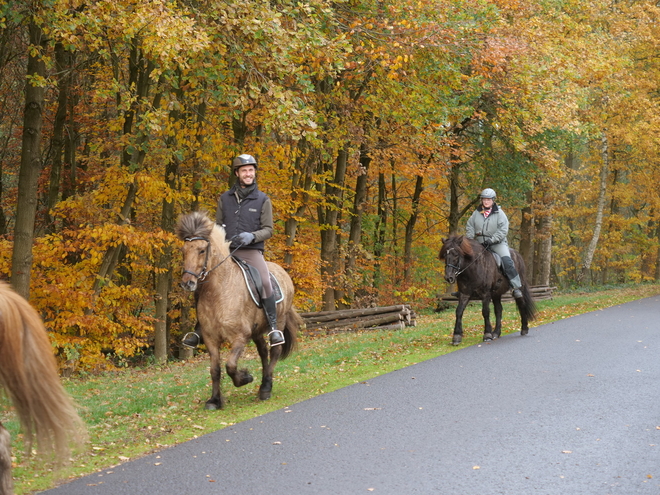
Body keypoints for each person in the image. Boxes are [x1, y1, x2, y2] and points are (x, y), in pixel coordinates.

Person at [182, 154, 285, 348]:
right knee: (204, 281)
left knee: (264, 280)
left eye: (251, 170)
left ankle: (273, 328)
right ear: (237, 173)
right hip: (227, 251)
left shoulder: (263, 199)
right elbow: (219, 226)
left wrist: (252, 236)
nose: (248, 174)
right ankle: (198, 330)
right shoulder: (225, 198)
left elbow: (269, 229)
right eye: (244, 170)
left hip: (251, 251)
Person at [465, 188, 523, 299]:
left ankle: (516, 287)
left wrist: (492, 239)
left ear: (493, 200)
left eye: (488, 200)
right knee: (466, 259)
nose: (486, 202)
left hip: (497, 243)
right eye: (484, 199)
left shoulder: (500, 214)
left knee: (507, 260)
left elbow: (503, 230)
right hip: (479, 243)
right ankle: (465, 289)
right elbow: (470, 227)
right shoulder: (476, 213)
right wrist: (470, 240)